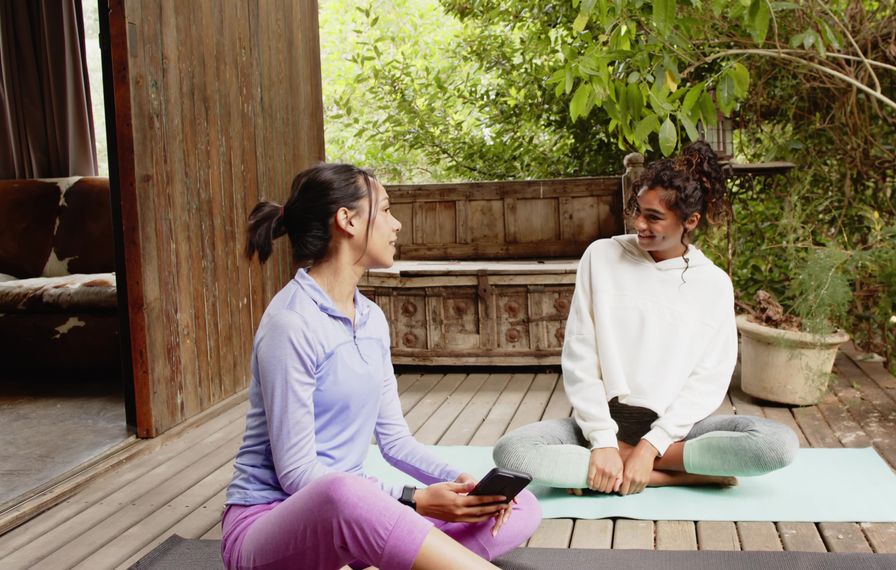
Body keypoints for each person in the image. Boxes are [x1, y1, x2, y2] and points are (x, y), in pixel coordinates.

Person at [222, 163, 540, 570]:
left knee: (519, 504)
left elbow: (396, 443)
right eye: (386, 210)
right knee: (343, 491)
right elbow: (298, 474)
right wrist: (414, 499)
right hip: (270, 525)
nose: (397, 224)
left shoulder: (371, 319)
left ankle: (384, 557)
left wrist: (466, 485)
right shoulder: (291, 323)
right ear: (347, 220)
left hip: (360, 517)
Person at [494, 142, 799, 496]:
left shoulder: (713, 283)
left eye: (654, 217)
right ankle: (678, 475)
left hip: (676, 433)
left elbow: (709, 378)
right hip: (599, 425)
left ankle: (620, 471)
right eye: (638, 211)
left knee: (776, 445)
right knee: (512, 452)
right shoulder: (602, 256)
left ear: (690, 221)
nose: (639, 223)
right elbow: (580, 355)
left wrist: (650, 446)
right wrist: (605, 442)